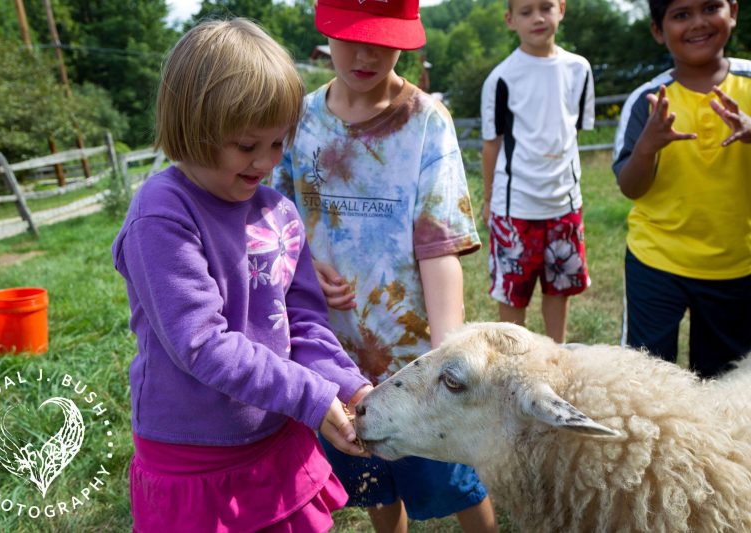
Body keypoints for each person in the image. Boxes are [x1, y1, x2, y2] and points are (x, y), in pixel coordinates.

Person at [111, 19, 373, 532]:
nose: (265, 162)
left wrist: (347, 387)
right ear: (192, 128)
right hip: (195, 452)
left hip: (277, 433)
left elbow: (303, 324)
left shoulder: (278, 212)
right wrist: (312, 397)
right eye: (247, 145)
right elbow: (202, 344)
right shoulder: (163, 214)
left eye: (277, 144)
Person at [271, 1, 498, 531]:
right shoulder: (298, 121)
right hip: (333, 354)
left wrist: (448, 358)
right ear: (326, 29)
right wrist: (303, 267)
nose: (368, 52)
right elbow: (274, 222)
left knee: (456, 481)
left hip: (415, 358)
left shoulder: (427, 123)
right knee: (371, 474)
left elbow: (439, 247)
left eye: (383, 37)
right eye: (353, 36)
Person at [612, 0, 751, 378]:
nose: (698, 23)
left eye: (710, 7)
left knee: (724, 383)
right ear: (658, 30)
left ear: (733, 12)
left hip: (735, 265)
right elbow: (630, 187)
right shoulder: (648, 100)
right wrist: (647, 145)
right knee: (647, 379)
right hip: (657, 261)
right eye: (681, 14)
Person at [480, 0, 595, 344]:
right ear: (510, 20)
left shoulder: (580, 69)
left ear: (562, 9)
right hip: (515, 207)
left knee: (559, 289)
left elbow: (573, 133)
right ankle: (515, 372)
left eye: (546, 7)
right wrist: (488, 201)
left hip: (564, 204)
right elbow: (491, 144)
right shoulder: (501, 77)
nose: (538, 18)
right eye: (526, 12)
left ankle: (555, 357)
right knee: (513, 295)